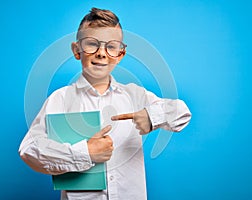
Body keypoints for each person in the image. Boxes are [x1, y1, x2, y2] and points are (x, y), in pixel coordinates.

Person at [19, 7, 191, 200]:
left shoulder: (135, 95)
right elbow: (29, 149)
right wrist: (85, 153)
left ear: (120, 54)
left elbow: (182, 113)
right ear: (77, 50)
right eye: (92, 44)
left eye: (111, 46)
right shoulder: (60, 99)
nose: (102, 53)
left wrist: (153, 116)